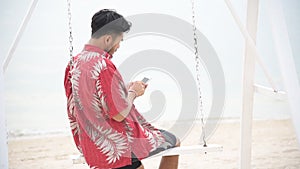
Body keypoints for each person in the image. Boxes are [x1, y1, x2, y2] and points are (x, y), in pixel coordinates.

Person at [64, 9, 180, 169]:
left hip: (91, 145)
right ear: (108, 39)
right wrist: (134, 93)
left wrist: (121, 89)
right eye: (119, 41)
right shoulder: (104, 65)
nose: (118, 46)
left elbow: (82, 100)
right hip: (116, 146)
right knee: (173, 141)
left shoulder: (73, 64)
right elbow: (118, 114)